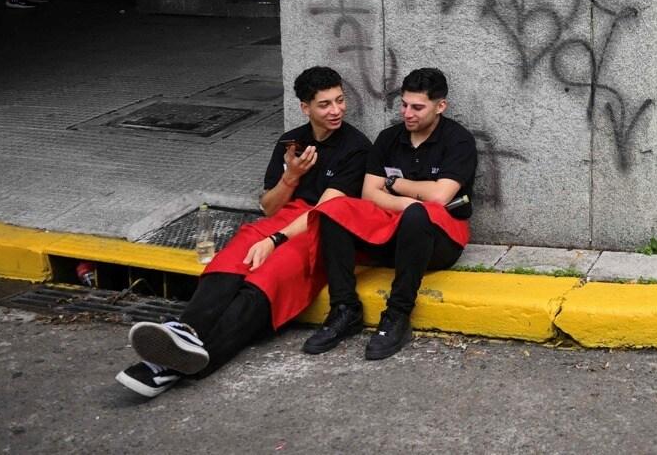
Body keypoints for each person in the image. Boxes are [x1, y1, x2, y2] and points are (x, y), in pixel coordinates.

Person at [116, 67, 369, 398]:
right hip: (282, 218)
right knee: (233, 257)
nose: (336, 110)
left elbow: (326, 210)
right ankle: (186, 330)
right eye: (325, 104)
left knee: (270, 275)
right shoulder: (291, 142)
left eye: (340, 100)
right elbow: (269, 208)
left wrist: (275, 240)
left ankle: (185, 363)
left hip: (320, 226)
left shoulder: (356, 148)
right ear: (305, 108)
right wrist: (290, 176)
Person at [302, 67, 477, 361]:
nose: (407, 113)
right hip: (389, 235)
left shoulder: (458, 140)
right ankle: (344, 309)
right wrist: (412, 202)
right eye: (404, 105)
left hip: (438, 241)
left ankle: (397, 315)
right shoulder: (388, 138)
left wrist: (394, 184)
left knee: (418, 217)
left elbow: (440, 196)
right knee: (334, 208)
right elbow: (369, 193)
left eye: (417, 107)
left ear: (440, 106)